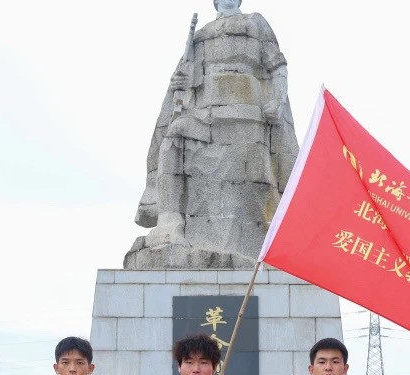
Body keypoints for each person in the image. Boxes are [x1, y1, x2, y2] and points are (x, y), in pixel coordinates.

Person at [126, 0, 299, 269]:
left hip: (245, 111)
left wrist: (278, 99)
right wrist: (179, 82)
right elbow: (187, 79)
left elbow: (277, 67)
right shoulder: (200, 34)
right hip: (205, 113)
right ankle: (170, 220)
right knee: (174, 137)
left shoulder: (255, 23)